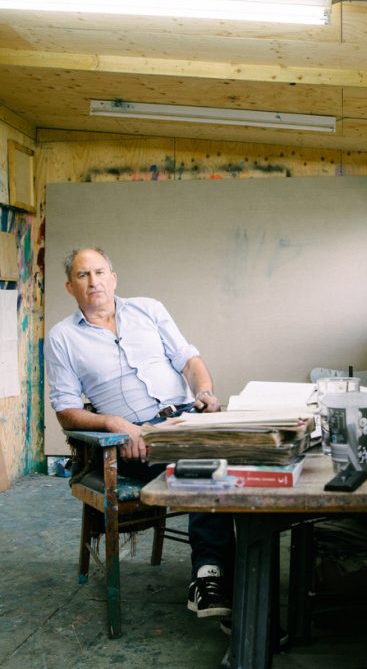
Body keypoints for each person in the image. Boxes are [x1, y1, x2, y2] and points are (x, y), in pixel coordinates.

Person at [45, 247, 234, 619]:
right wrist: (115, 424)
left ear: (113, 278)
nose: (94, 281)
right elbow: (66, 411)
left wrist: (204, 392)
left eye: (100, 272)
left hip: (185, 420)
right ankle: (211, 576)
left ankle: (234, 584)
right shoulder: (62, 338)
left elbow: (188, 360)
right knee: (208, 464)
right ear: (70, 287)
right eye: (83, 275)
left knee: (244, 459)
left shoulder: (149, 309)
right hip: (135, 440)